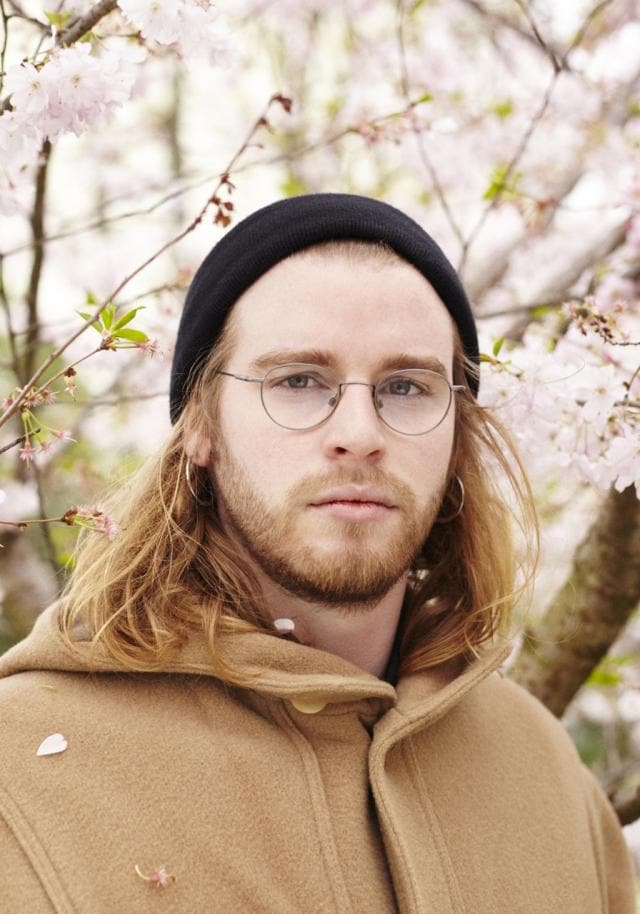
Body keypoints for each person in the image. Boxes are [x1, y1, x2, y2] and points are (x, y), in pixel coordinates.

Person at [0, 194, 634, 913]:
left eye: (406, 387)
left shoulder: (546, 772)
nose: (360, 433)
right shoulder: (22, 775)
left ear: (457, 433)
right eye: (298, 381)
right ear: (200, 424)